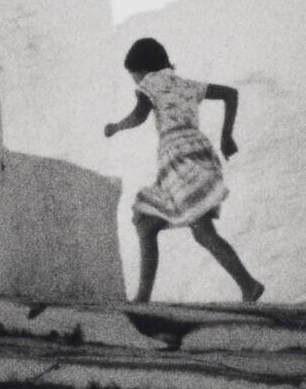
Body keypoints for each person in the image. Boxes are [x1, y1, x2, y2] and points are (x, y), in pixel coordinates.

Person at [102, 36, 265, 304]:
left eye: (134, 75)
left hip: (179, 159)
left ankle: (249, 285)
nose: (135, 81)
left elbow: (140, 116)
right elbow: (230, 94)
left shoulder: (150, 84)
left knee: (199, 231)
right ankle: (142, 299)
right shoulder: (185, 84)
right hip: (199, 154)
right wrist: (226, 137)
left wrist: (116, 127)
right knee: (147, 221)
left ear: (142, 69)